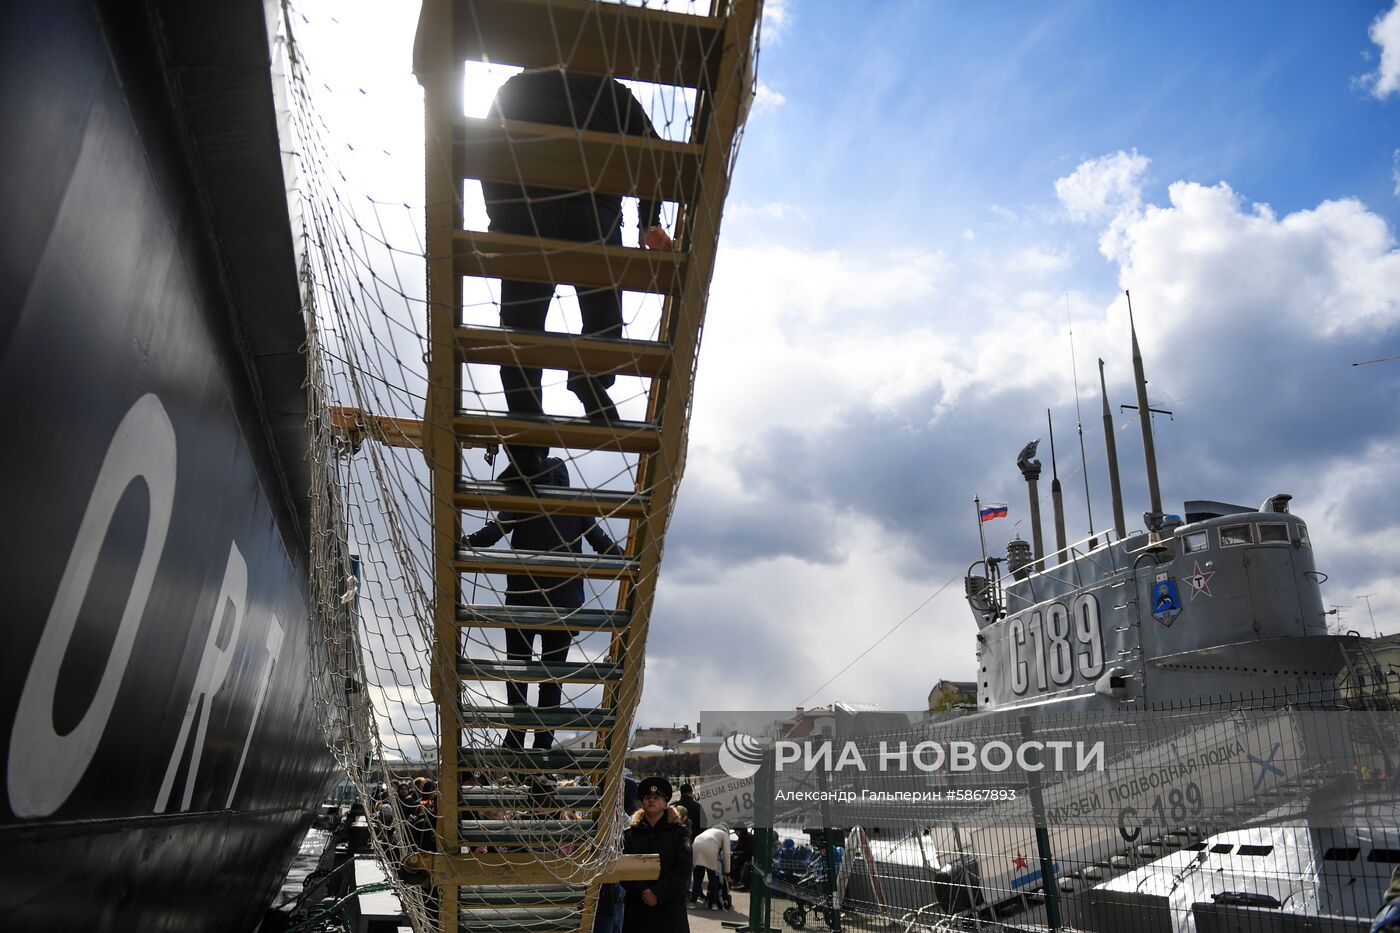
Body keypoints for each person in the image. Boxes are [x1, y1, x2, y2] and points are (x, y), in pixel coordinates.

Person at [482, 70, 676, 479]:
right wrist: (648, 221)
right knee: (604, 308)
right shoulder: (612, 91)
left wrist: (501, 217)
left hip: (527, 215)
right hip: (594, 217)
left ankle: (527, 451)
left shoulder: (515, 87)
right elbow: (653, 157)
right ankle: (589, 379)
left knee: (521, 331)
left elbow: (487, 152)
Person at [463, 454, 622, 750]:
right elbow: (601, 543)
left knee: (518, 671)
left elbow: (493, 533)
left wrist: (464, 543)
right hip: (564, 606)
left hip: (523, 600)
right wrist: (630, 560)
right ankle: (543, 743)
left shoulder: (525, 499)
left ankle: (516, 734)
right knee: (553, 678)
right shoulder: (577, 505)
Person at [622, 777, 691, 933]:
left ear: (665, 802)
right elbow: (624, 869)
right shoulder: (630, 834)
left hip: (670, 908)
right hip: (638, 908)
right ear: (641, 802)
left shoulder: (679, 832)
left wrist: (657, 893)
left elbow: (683, 868)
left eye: (656, 797)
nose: (651, 800)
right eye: (647, 797)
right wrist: (643, 891)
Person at [691, 823, 732, 910]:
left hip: (696, 845)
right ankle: (714, 904)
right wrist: (727, 871)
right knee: (712, 877)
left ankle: (692, 902)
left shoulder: (708, 831)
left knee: (698, 878)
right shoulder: (724, 834)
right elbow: (726, 854)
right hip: (710, 848)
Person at [676, 783, 706, 900]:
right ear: (691, 792)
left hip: (677, 843)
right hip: (696, 842)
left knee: (680, 868)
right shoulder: (697, 806)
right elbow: (705, 826)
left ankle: (683, 892)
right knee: (697, 869)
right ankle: (696, 891)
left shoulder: (675, 807)